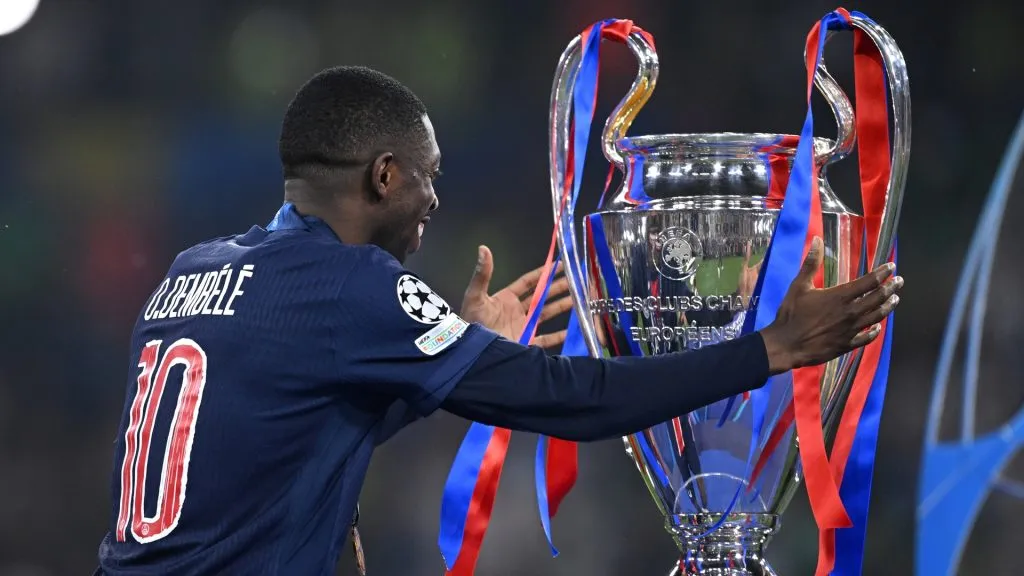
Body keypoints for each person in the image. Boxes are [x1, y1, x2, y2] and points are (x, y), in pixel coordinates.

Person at [95, 66, 903, 576]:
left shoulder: (192, 271)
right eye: (427, 179)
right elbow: (570, 397)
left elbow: (277, 432)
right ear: (384, 175)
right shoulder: (350, 287)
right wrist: (770, 347)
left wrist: (443, 342)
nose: (435, 203)